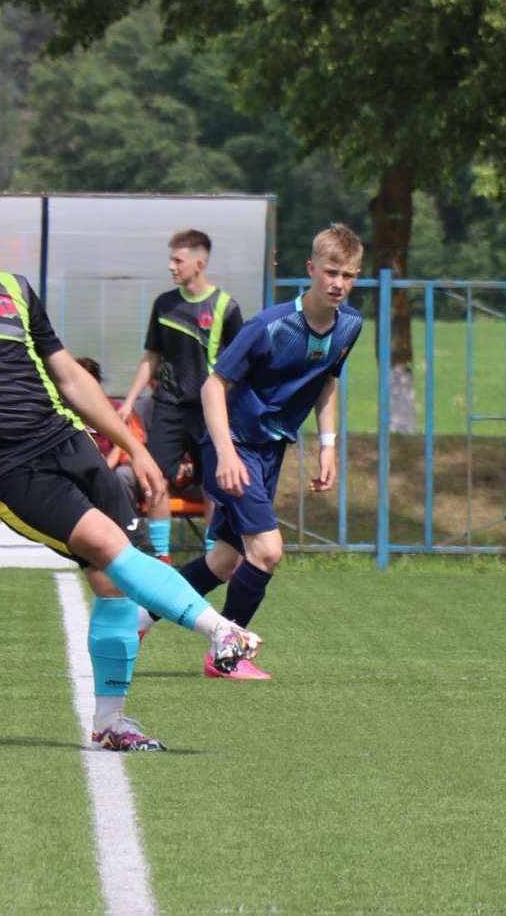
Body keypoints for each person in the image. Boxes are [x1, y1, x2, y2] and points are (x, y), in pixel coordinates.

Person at [0, 174, 262, 752]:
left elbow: (69, 377)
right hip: (7, 471)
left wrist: (134, 446)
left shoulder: (13, 291)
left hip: (67, 442)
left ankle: (111, 721)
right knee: (106, 545)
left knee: (115, 584)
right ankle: (220, 631)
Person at [140, 222, 363, 681]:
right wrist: (224, 453)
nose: (338, 283)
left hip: (270, 450)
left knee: (223, 560)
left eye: (348, 275)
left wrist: (328, 446)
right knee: (267, 551)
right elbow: (213, 386)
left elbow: (327, 382)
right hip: (236, 445)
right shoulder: (269, 326)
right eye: (331, 272)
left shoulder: (350, 326)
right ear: (311, 269)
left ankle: (138, 617)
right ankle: (227, 654)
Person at [121, 229, 243, 561]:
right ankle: (161, 558)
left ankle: (212, 557)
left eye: (178, 260)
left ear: (199, 264)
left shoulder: (226, 308)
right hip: (169, 406)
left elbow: (239, 365)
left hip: (209, 411)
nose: (171, 266)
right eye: (171, 260)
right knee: (156, 479)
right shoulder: (164, 304)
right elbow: (151, 356)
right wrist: (129, 402)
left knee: (212, 485)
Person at [73, 355, 151, 555]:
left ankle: (129, 535)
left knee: (121, 475)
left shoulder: (117, 409)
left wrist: (103, 468)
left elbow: (125, 445)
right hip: (82, 471)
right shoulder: (65, 411)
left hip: (113, 471)